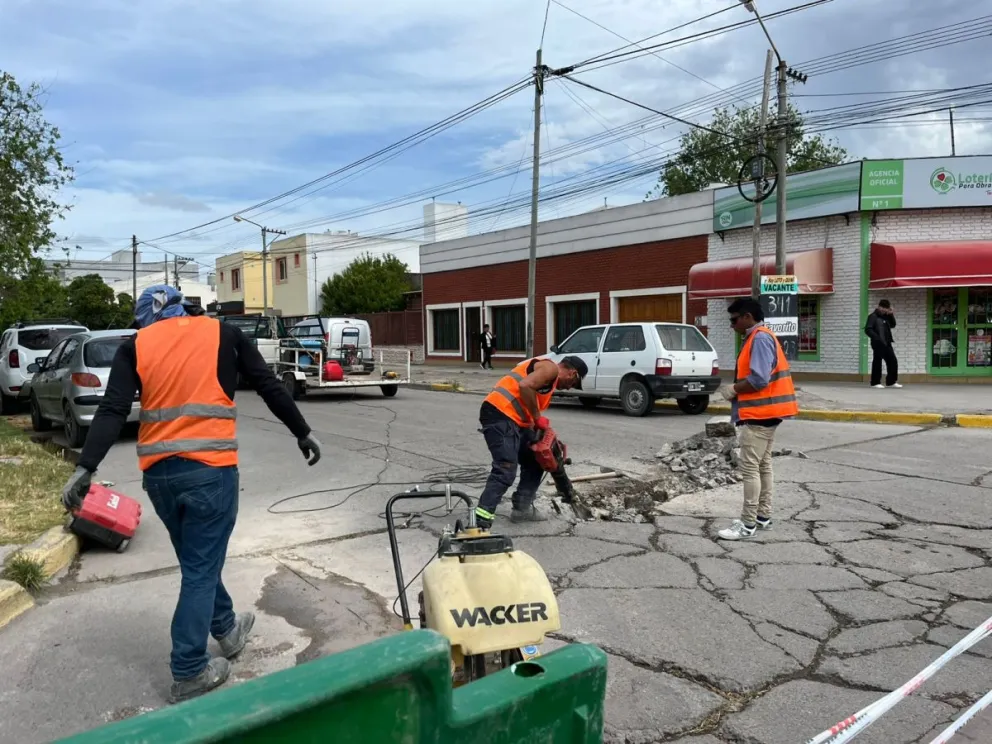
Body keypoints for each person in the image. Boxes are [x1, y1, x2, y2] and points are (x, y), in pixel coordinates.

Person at [60, 286, 322, 704]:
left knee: (197, 560)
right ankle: (189, 670)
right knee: (200, 568)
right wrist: (301, 431)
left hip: (159, 477)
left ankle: (227, 629)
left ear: (145, 318)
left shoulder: (136, 345)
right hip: (210, 472)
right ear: (182, 307)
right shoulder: (223, 333)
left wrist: (85, 467)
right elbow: (268, 385)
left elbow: (112, 409)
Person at [716, 297, 798, 541]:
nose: (732, 325)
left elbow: (759, 379)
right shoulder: (761, 336)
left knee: (750, 468)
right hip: (768, 414)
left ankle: (747, 523)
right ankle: (762, 517)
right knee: (763, 466)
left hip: (759, 415)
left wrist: (734, 389)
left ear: (747, 317)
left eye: (734, 320)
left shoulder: (759, 338)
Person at [474, 355, 588, 528]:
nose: (569, 388)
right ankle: (481, 520)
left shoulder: (549, 380)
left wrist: (542, 436)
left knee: (536, 459)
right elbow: (525, 385)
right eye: (573, 384)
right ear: (572, 374)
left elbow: (525, 404)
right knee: (505, 468)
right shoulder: (551, 369)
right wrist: (537, 418)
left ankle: (522, 508)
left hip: (515, 421)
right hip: (500, 414)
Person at [865, 299, 901, 388]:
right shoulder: (873, 316)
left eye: (887, 309)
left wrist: (891, 314)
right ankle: (875, 382)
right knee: (877, 361)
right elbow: (868, 329)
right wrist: (877, 338)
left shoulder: (886, 316)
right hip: (877, 343)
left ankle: (891, 381)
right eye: (883, 308)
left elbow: (893, 325)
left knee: (892, 361)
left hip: (887, 342)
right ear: (879, 307)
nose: (885, 310)